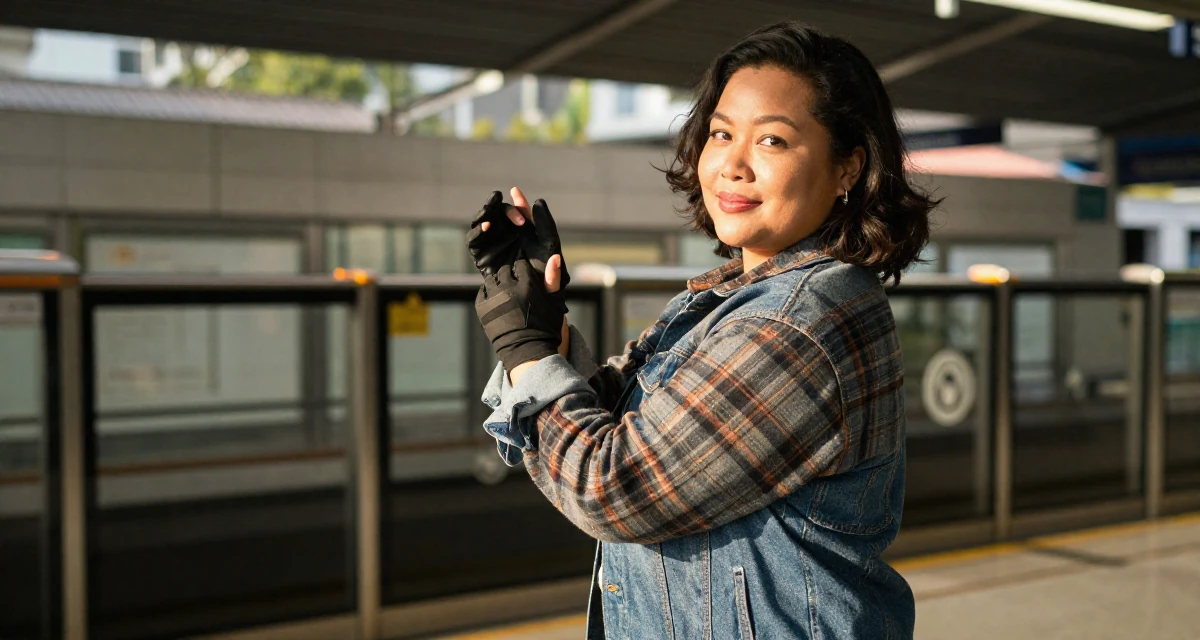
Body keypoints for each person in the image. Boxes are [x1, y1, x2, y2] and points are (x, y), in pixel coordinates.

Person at [466, 20, 936, 640]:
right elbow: (619, 423)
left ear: (847, 166)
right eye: (721, 133)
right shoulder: (736, 297)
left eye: (771, 141)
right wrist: (543, 320)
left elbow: (613, 485)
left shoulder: (795, 323)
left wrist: (525, 354)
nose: (732, 165)